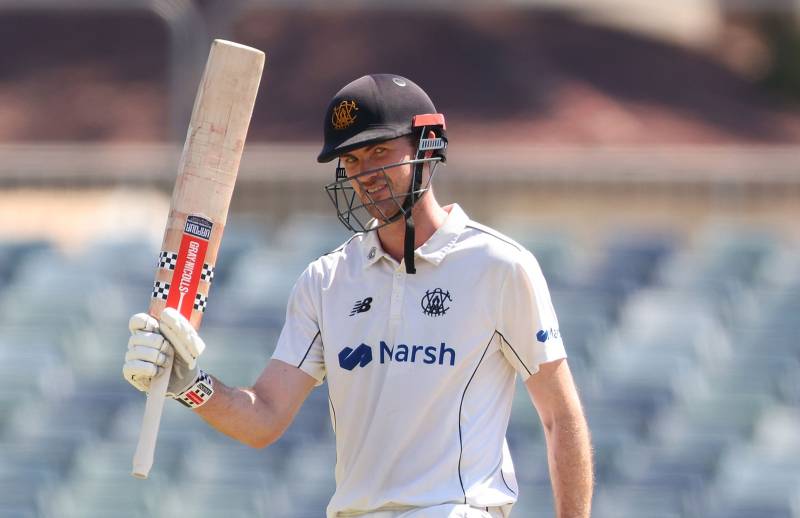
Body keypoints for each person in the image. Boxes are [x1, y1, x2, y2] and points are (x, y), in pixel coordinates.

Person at [123, 74, 593, 517]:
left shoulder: (499, 266)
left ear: (427, 147)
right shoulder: (327, 280)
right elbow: (264, 418)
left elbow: (560, 417)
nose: (364, 173)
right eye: (351, 161)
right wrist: (190, 384)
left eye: (379, 152)